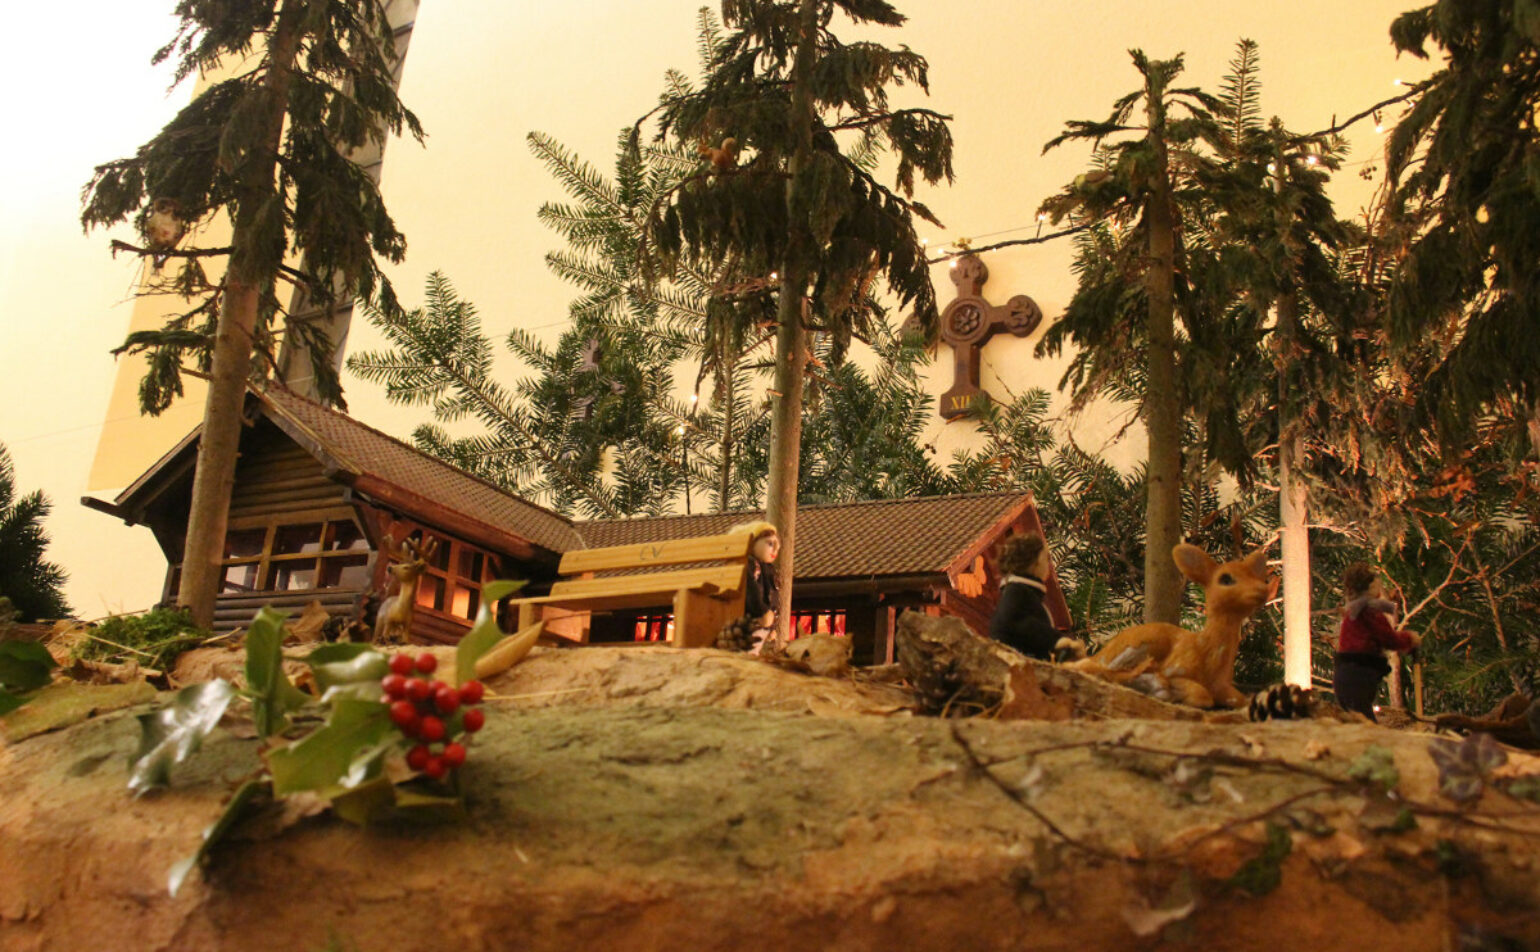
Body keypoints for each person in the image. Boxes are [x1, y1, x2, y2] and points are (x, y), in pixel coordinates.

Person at [1332, 562, 1420, 721]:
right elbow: (1388, 638)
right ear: (1370, 586)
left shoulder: (1354, 611)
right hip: (1358, 675)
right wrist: (1410, 639)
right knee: (1363, 721)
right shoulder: (1368, 612)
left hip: (1346, 674)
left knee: (1356, 719)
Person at [988, 532, 1060, 660]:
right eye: (1046, 558)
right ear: (1036, 561)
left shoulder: (1024, 592)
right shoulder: (1016, 591)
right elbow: (1014, 621)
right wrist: (1055, 640)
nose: (1049, 564)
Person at [715, 521, 781, 654]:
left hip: (762, 624)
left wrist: (773, 625)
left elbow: (774, 598)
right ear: (751, 543)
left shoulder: (769, 570)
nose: (775, 550)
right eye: (769, 544)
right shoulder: (749, 565)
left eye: (777, 546)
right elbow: (751, 591)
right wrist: (761, 612)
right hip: (747, 622)